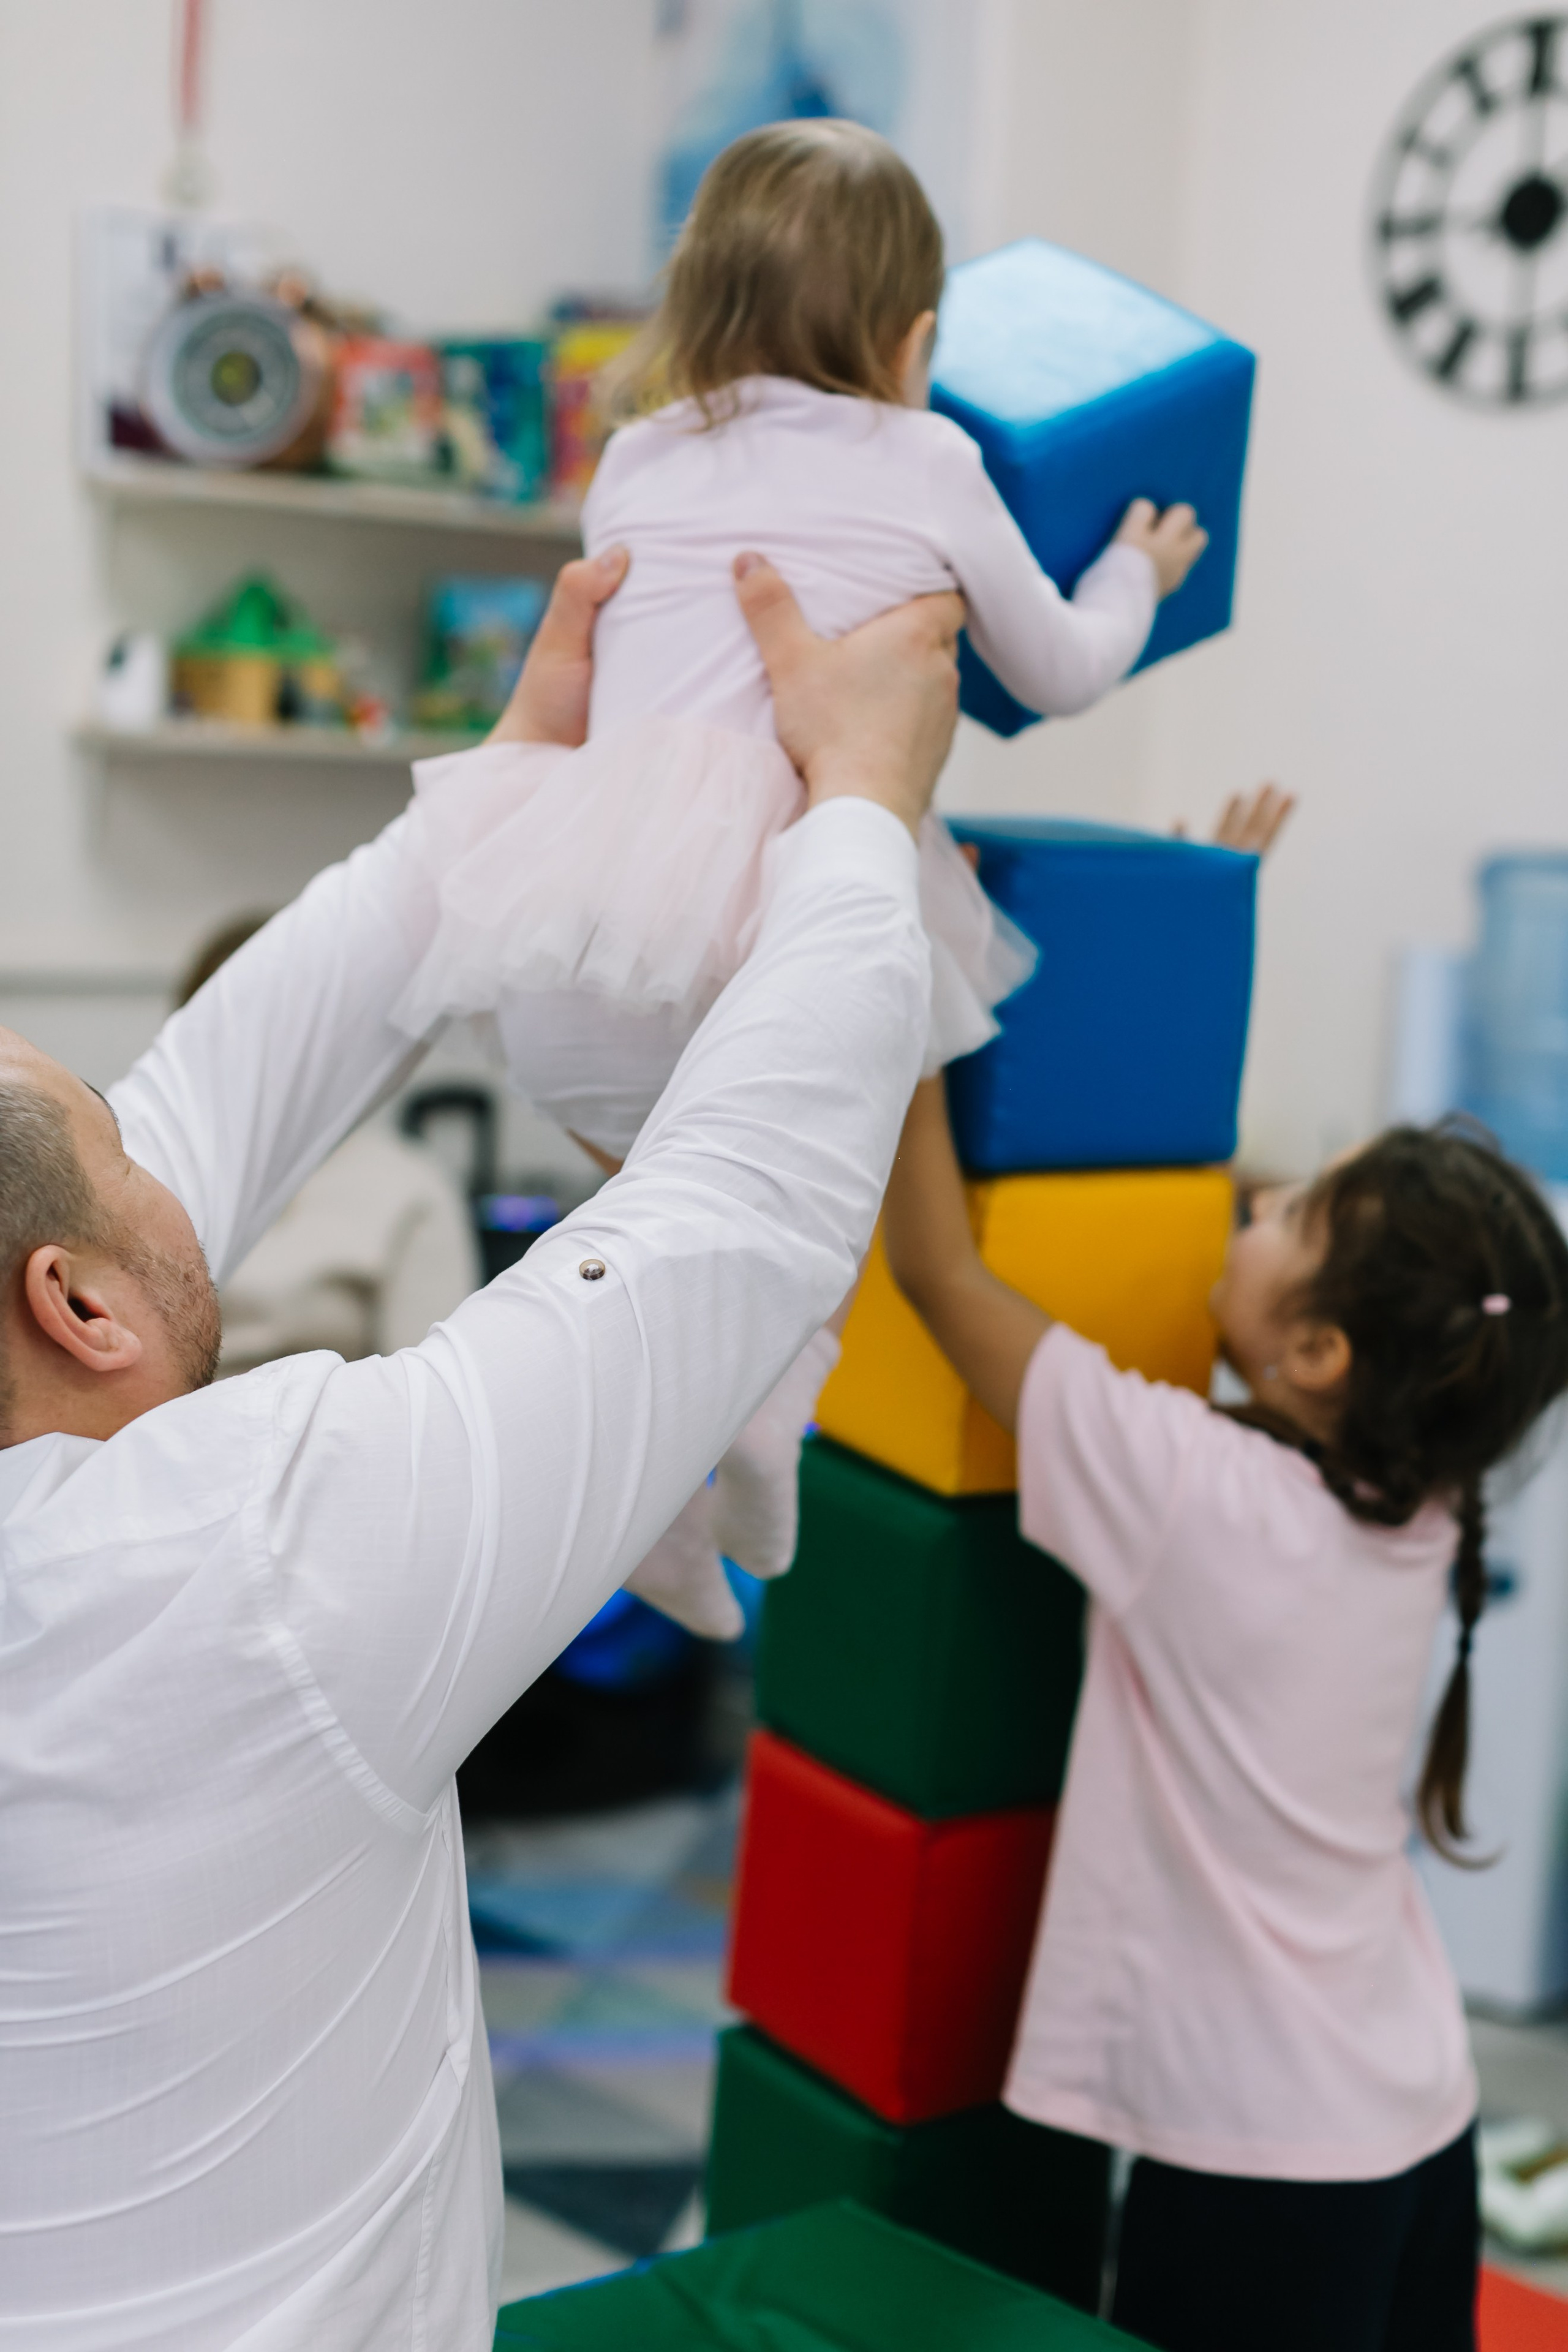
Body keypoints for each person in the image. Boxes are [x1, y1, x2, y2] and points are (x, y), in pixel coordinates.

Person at [0, 547, 961, 2350]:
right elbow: (730, 1209)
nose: (164, 1152)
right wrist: (860, 806)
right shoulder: (232, 1562)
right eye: (120, 1141)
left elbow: (223, 1088)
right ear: (77, 1305)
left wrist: (485, 815)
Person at [388, 118, 1210, 1640]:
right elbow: (1061, 671)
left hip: (596, 923)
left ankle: (654, 1499)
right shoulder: (929, 458)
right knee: (820, 1169)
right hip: (789, 913)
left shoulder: (634, 460)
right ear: (910, 343)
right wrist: (1132, 575)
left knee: (655, 1209)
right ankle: (769, 1409)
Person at [881, 1082, 1568, 2352]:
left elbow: (938, 1272)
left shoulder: (1188, 1493)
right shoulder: (1424, 1500)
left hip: (1261, 2155)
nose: (1258, 1202)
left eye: (1293, 1213)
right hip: (1414, 2109)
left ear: (1321, 1355)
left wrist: (910, 1037)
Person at [173, 915, 482, 1375]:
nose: (253, 1056)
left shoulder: (406, 1188)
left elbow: (428, 1385)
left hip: (333, 1417)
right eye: (228, 1030)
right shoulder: (144, 1172)